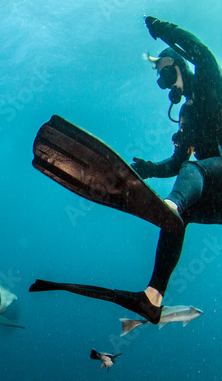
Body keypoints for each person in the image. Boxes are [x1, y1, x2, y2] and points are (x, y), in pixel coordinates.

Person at [30, 16, 222, 324]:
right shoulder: (186, 115)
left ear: (179, 65)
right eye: (160, 80)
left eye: (166, 74)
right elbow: (175, 165)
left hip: (214, 172)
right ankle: (153, 297)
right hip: (218, 201)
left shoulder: (211, 80)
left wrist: (164, 30)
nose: (165, 84)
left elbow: (199, 49)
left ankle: (172, 205)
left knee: (186, 184)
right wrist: (148, 169)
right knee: (177, 219)